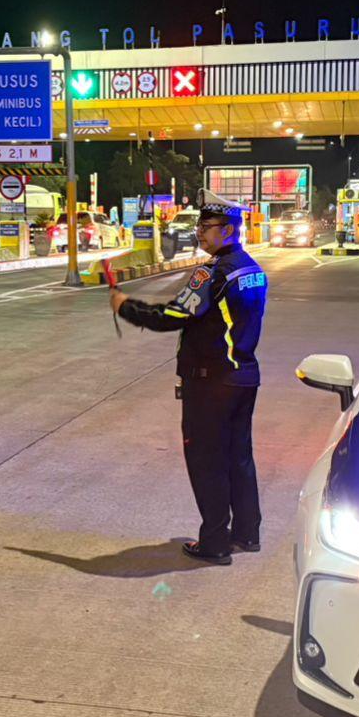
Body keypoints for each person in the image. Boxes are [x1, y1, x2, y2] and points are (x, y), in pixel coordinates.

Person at [107, 191, 267, 565]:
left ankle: (214, 543)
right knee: (239, 458)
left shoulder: (211, 273)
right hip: (243, 376)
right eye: (199, 225)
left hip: (211, 383)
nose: (199, 232)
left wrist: (126, 307)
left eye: (206, 226)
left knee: (207, 462)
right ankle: (247, 533)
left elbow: (174, 316)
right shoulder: (252, 270)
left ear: (228, 229)